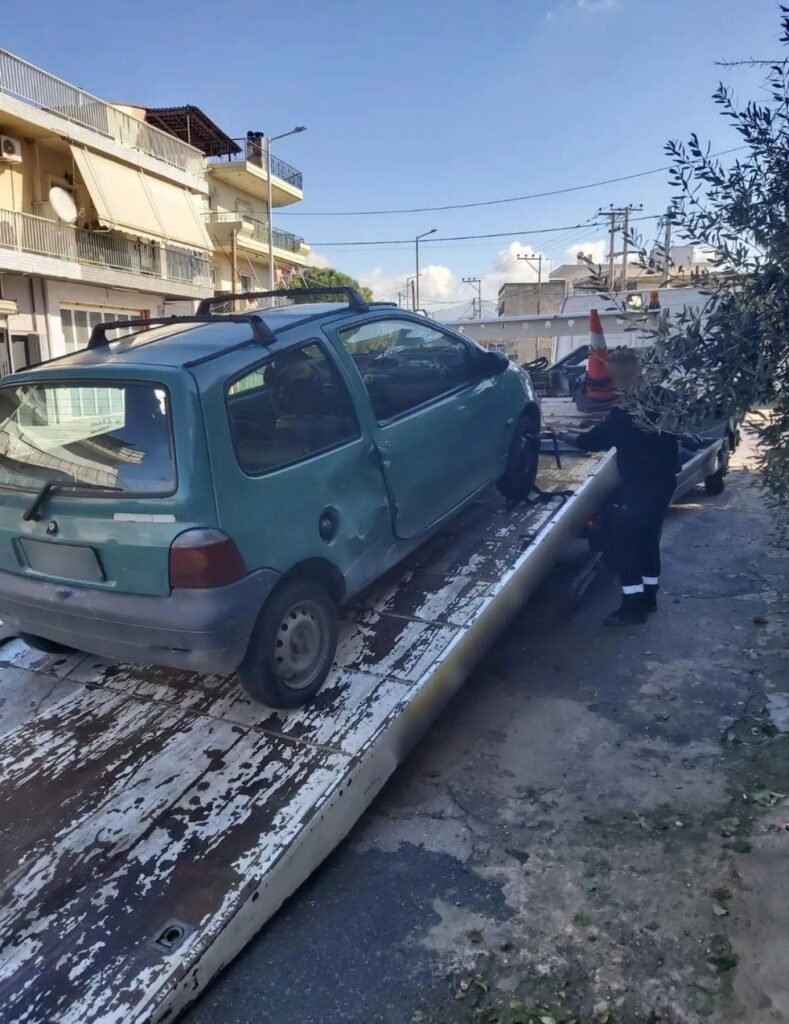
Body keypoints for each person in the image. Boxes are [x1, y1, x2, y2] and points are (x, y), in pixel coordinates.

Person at [553, 347, 679, 627]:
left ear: (620, 376)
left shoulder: (626, 412)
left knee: (621, 542)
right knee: (646, 540)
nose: (609, 382)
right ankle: (649, 598)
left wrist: (559, 433)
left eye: (610, 376)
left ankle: (632, 607)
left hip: (639, 487)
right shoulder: (664, 398)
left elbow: (590, 442)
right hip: (664, 483)